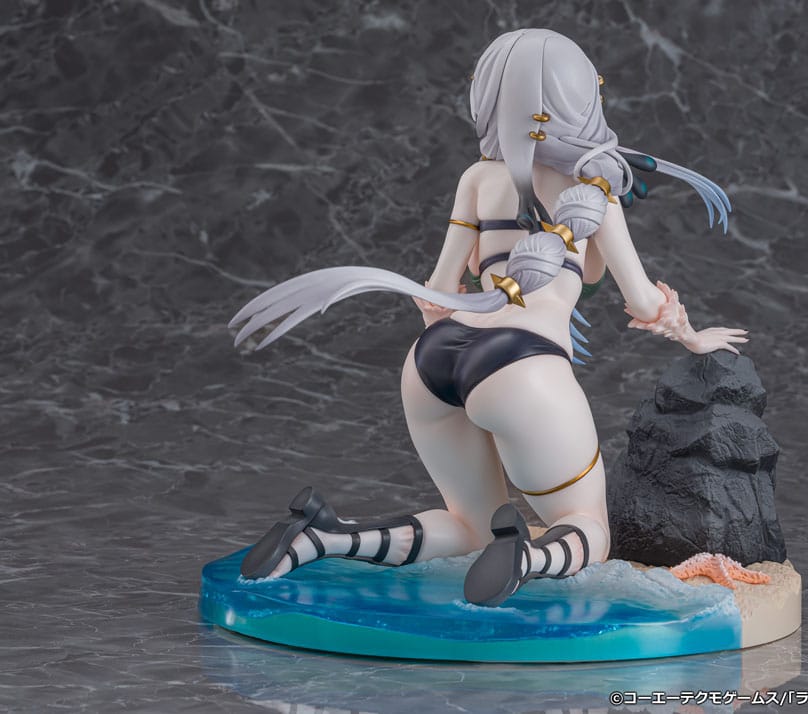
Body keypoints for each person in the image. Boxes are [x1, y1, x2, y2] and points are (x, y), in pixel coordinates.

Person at [230, 29, 748, 607]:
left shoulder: (477, 179)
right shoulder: (594, 191)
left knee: (468, 525)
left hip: (433, 361)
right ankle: (527, 556)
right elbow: (646, 303)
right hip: (522, 365)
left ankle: (322, 537)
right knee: (586, 525)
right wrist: (692, 337)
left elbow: (435, 295)